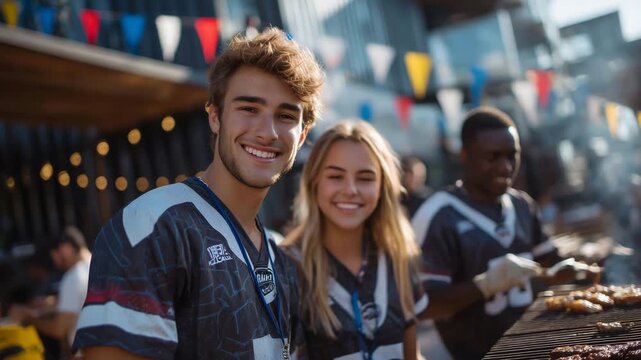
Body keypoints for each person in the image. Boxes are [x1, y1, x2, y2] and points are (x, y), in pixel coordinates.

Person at [72, 27, 324, 359]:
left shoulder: (283, 257)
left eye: (286, 116)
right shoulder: (151, 228)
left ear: (303, 134)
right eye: (249, 109)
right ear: (215, 116)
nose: (267, 132)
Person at [412, 107, 589, 359]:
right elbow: (425, 305)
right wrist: (486, 284)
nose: (505, 167)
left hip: (530, 347)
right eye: (492, 157)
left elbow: (548, 259)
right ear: (465, 155)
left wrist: (570, 268)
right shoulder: (438, 215)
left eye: (512, 156)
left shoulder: (522, 205)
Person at [282, 121, 428, 360]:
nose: (350, 189)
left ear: (383, 186)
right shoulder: (286, 266)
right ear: (314, 182)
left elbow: (412, 355)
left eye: (365, 178)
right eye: (336, 176)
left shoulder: (399, 256)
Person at [9, 226, 91, 356]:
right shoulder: (99, 266)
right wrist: (54, 303)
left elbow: (58, 329)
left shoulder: (74, 277)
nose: (55, 261)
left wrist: (29, 317)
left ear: (65, 248)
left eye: (54, 254)